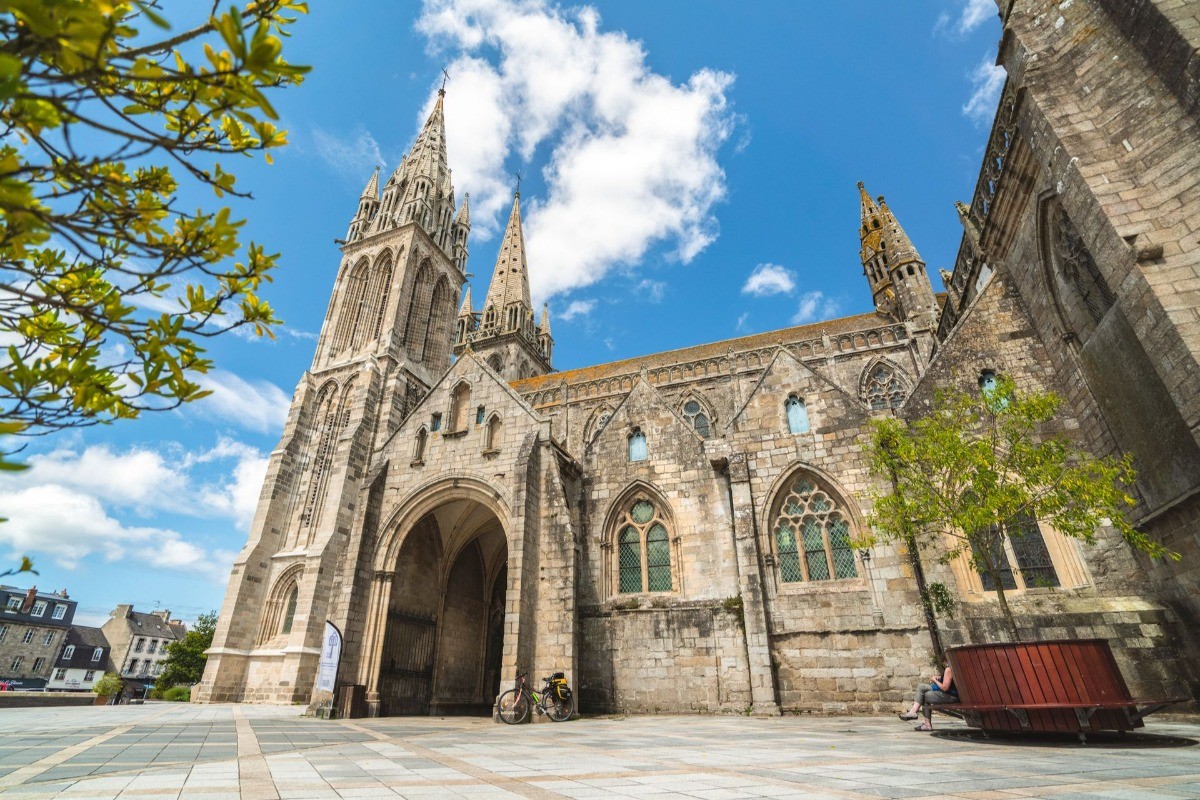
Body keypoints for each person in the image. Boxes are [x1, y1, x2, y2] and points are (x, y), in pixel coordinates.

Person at [899, 661, 957, 731]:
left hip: (951, 696)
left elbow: (945, 688)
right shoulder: (958, 668)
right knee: (924, 692)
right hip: (953, 695)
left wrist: (935, 681)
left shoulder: (949, 669)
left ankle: (915, 714)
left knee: (922, 690)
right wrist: (939, 678)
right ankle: (920, 719)